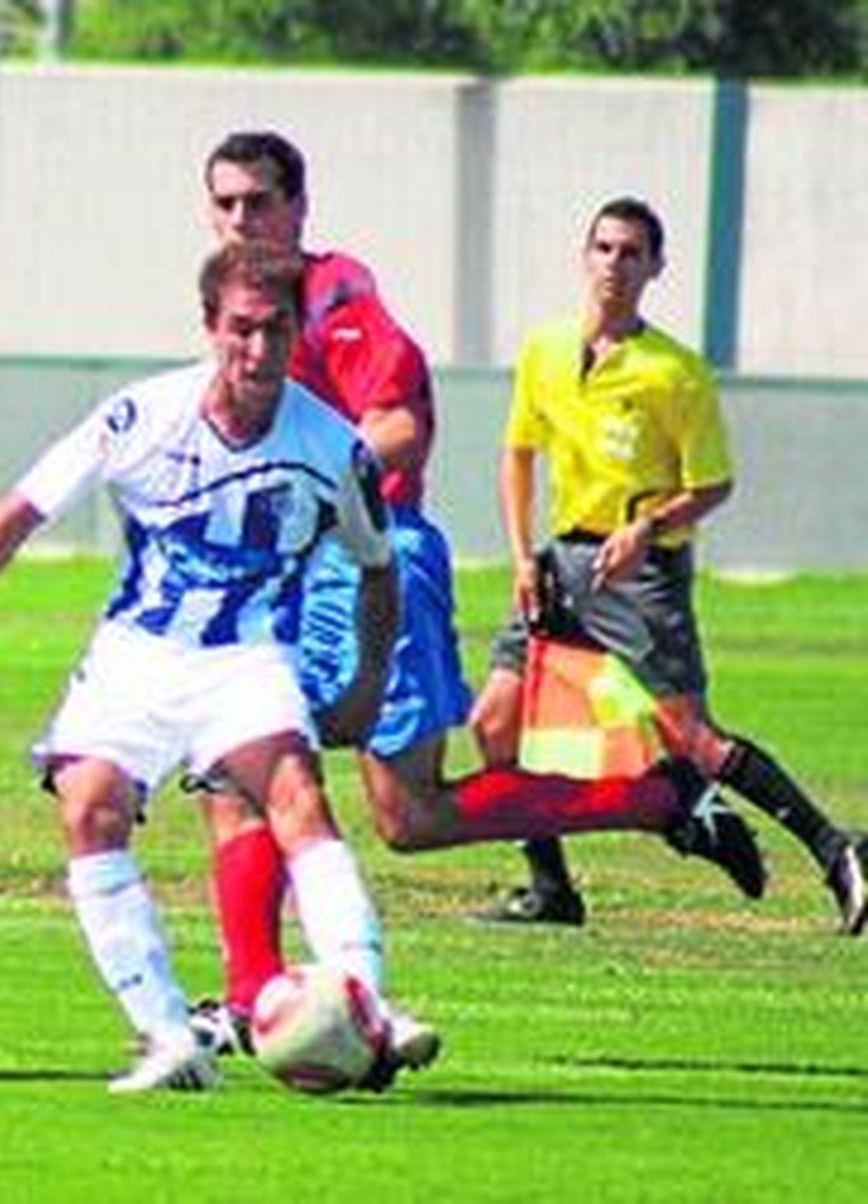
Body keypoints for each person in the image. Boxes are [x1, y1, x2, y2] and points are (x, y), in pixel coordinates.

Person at [188, 133, 767, 1052]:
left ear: (298, 206)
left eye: (259, 201)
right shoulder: (237, 307)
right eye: (225, 203)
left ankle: (658, 799)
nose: (240, 219)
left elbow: (399, 429)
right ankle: (251, 993)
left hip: (369, 565)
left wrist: (295, 490)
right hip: (288, 572)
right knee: (234, 766)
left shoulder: (338, 298)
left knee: (407, 814)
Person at [0, 239, 435, 1094]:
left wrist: (368, 681)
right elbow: (23, 507)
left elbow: (378, 567)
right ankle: (170, 1040)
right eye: (242, 329)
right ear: (210, 326)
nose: (259, 350)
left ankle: (362, 1005)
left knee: (297, 798)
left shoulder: (331, 446)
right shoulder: (142, 417)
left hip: (248, 658)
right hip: (136, 656)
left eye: (276, 331)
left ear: (296, 334)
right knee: (89, 808)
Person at [469, 195, 867, 934]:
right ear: (584, 257)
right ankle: (552, 888)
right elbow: (517, 455)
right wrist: (523, 556)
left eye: (631, 253)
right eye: (603, 248)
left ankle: (835, 848)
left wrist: (647, 528)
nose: (614, 265)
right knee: (494, 721)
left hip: (641, 574)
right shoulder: (546, 349)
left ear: (656, 267)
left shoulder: (675, 373)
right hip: (559, 564)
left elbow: (713, 484)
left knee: (695, 737)